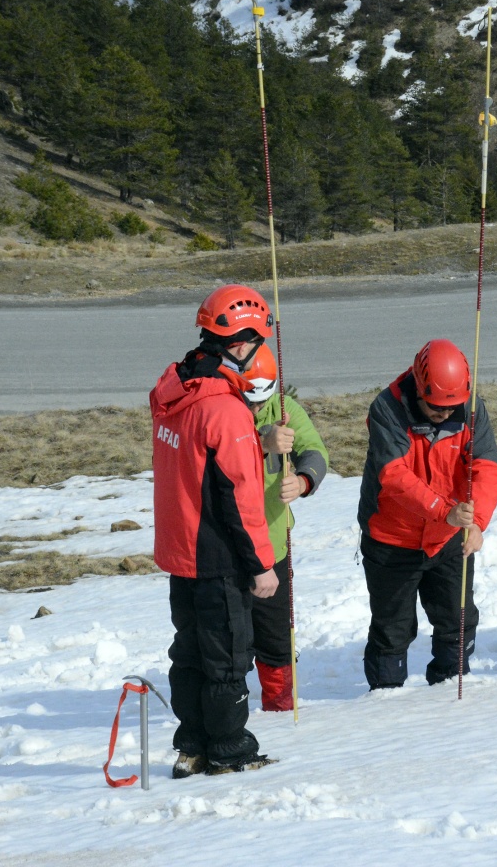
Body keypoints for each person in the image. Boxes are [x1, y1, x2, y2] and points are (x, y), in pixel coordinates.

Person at [150, 284, 278, 777]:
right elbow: (240, 499)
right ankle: (229, 750)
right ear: (241, 344)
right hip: (217, 556)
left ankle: (193, 747)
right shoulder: (225, 410)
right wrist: (261, 565)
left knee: (189, 654)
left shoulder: (175, 388)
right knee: (226, 659)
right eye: (258, 341)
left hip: (181, 551)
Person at [356, 339, 497, 689]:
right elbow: (394, 475)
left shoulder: (471, 409)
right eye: (437, 408)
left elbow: (487, 466)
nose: (445, 414)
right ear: (419, 389)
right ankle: (386, 698)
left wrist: (477, 521)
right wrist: (443, 510)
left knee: (458, 620)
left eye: (452, 408)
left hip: (449, 539)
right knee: (392, 630)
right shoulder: (387, 408)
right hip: (393, 541)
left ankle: (449, 689)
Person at [242, 344, 330, 712]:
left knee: (277, 641)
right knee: (231, 646)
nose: (257, 409)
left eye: (262, 402)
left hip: (274, 546)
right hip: (228, 551)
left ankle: (279, 710)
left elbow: (315, 451)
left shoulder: (285, 410)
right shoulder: (220, 412)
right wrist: (262, 443)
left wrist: (304, 480)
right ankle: (230, 713)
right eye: (250, 401)